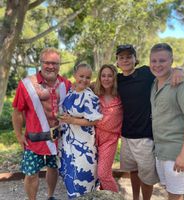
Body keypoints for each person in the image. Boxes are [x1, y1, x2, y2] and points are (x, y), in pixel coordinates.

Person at [116, 44, 184, 200]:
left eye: (129, 56)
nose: (125, 60)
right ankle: (135, 198)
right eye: (121, 57)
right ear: (117, 62)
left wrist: (180, 70)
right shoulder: (117, 79)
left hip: (145, 136)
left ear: (135, 59)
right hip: (126, 136)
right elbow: (100, 84)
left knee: (147, 176)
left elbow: (167, 70)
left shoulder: (146, 72)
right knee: (133, 170)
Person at [12, 47, 71, 200]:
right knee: (31, 174)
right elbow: (17, 111)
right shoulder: (26, 84)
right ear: (41, 63)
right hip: (34, 139)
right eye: (47, 62)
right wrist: (18, 135)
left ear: (59, 65)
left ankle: (51, 196)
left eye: (55, 63)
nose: (51, 66)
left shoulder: (66, 84)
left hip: (57, 138)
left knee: (53, 168)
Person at [149, 43, 184, 200]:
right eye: (154, 61)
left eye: (162, 60)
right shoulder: (155, 83)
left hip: (177, 151)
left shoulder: (183, 84)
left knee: (175, 195)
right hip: (162, 151)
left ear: (171, 60)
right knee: (173, 193)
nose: (157, 65)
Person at [57, 63, 103, 199]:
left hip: (83, 145)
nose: (84, 80)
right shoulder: (70, 92)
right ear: (75, 75)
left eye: (88, 77)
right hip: (68, 144)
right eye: (81, 76)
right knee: (70, 180)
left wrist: (73, 121)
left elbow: (95, 120)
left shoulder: (90, 96)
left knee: (83, 180)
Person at [94, 64, 123, 192]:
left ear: (114, 78)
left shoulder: (121, 95)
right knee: (93, 172)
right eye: (103, 75)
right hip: (93, 137)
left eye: (110, 76)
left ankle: (115, 196)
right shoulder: (94, 94)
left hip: (110, 139)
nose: (106, 79)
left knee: (103, 174)